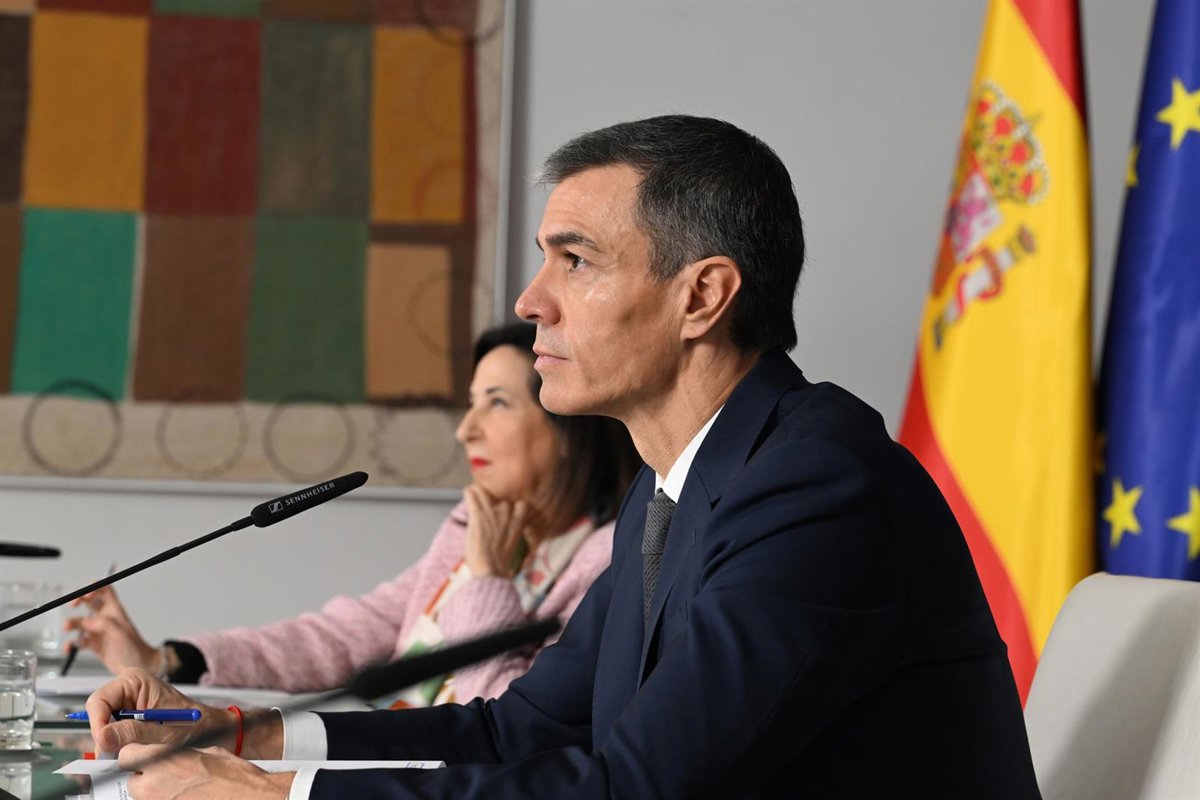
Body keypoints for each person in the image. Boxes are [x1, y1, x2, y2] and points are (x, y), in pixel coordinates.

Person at [87, 115, 1041, 798]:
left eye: (575, 260)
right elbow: (522, 728)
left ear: (702, 297)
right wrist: (245, 733)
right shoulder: (672, 485)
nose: (531, 299)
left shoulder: (817, 487)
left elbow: (634, 787)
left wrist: (270, 794)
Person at [69, 322, 640, 706]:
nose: (467, 431)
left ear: (571, 428)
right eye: (471, 405)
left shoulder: (608, 562)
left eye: (497, 404)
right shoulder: (472, 529)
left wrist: (487, 581)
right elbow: (343, 637)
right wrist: (167, 661)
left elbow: (511, 722)